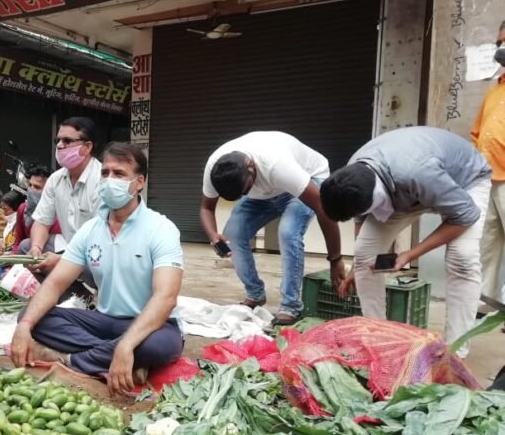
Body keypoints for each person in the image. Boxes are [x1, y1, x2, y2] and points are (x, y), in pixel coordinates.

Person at [11, 143, 184, 395]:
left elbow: (166, 297)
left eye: (119, 174)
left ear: (139, 183)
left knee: (159, 346)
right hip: (103, 321)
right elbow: (55, 283)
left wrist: (127, 344)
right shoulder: (91, 229)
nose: (109, 180)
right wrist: (24, 326)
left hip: (152, 325)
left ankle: (72, 360)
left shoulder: (161, 229)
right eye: (105, 173)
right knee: (31, 315)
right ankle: (116, 358)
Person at [320, 126, 491, 353]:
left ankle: (455, 352)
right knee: (364, 257)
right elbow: (361, 221)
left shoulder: (418, 173)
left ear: (376, 197)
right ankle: (379, 342)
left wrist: (409, 255)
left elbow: (465, 216)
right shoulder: (352, 176)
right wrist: (358, 265)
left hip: (465, 181)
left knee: (462, 258)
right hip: (406, 188)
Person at [199, 131, 345, 325]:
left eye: (246, 188)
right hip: (264, 194)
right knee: (232, 235)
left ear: (250, 166)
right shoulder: (215, 169)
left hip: (307, 180)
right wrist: (212, 235)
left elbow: (323, 208)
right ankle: (255, 294)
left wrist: (335, 259)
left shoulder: (277, 165)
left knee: (287, 233)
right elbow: (206, 207)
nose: (246, 192)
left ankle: (290, 306)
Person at [27, 117, 102, 276]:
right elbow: (41, 222)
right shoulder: (56, 179)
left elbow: (101, 240)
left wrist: (63, 260)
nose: (60, 145)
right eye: (58, 140)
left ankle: (80, 294)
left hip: (94, 251)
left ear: (87, 147)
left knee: (93, 265)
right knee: (26, 247)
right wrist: (36, 249)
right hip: (67, 245)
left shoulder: (101, 180)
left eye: (67, 141)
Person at [473, 21, 505, 309]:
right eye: (499, 44)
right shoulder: (494, 91)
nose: (501, 49)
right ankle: (487, 302)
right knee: (487, 244)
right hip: (487, 178)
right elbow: (476, 133)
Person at [15, 164, 62, 254]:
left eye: (37, 187)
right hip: (30, 256)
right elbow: (17, 242)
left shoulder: (59, 213)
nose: (31, 190)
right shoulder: (23, 209)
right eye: (30, 185)